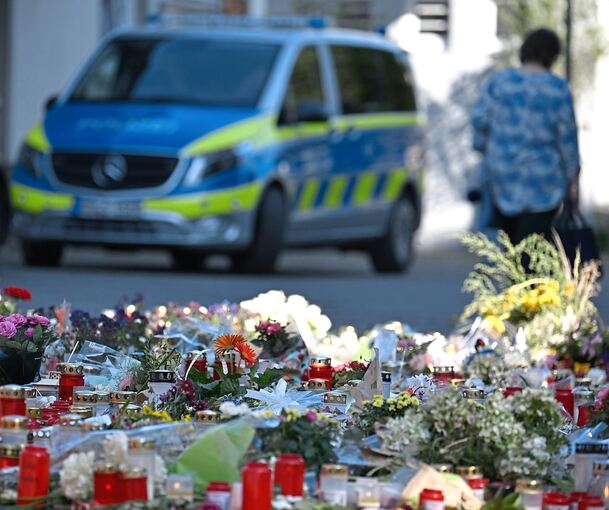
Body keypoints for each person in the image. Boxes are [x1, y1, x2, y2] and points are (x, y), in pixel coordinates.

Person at [470, 28, 580, 244]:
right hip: (544, 184)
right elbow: (567, 140)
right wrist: (573, 181)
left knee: (510, 247)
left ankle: (516, 277)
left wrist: (489, 151)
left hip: (502, 180)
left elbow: (479, 123)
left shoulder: (499, 82)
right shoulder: (557, 88)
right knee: (533, 249)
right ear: (552, 55)